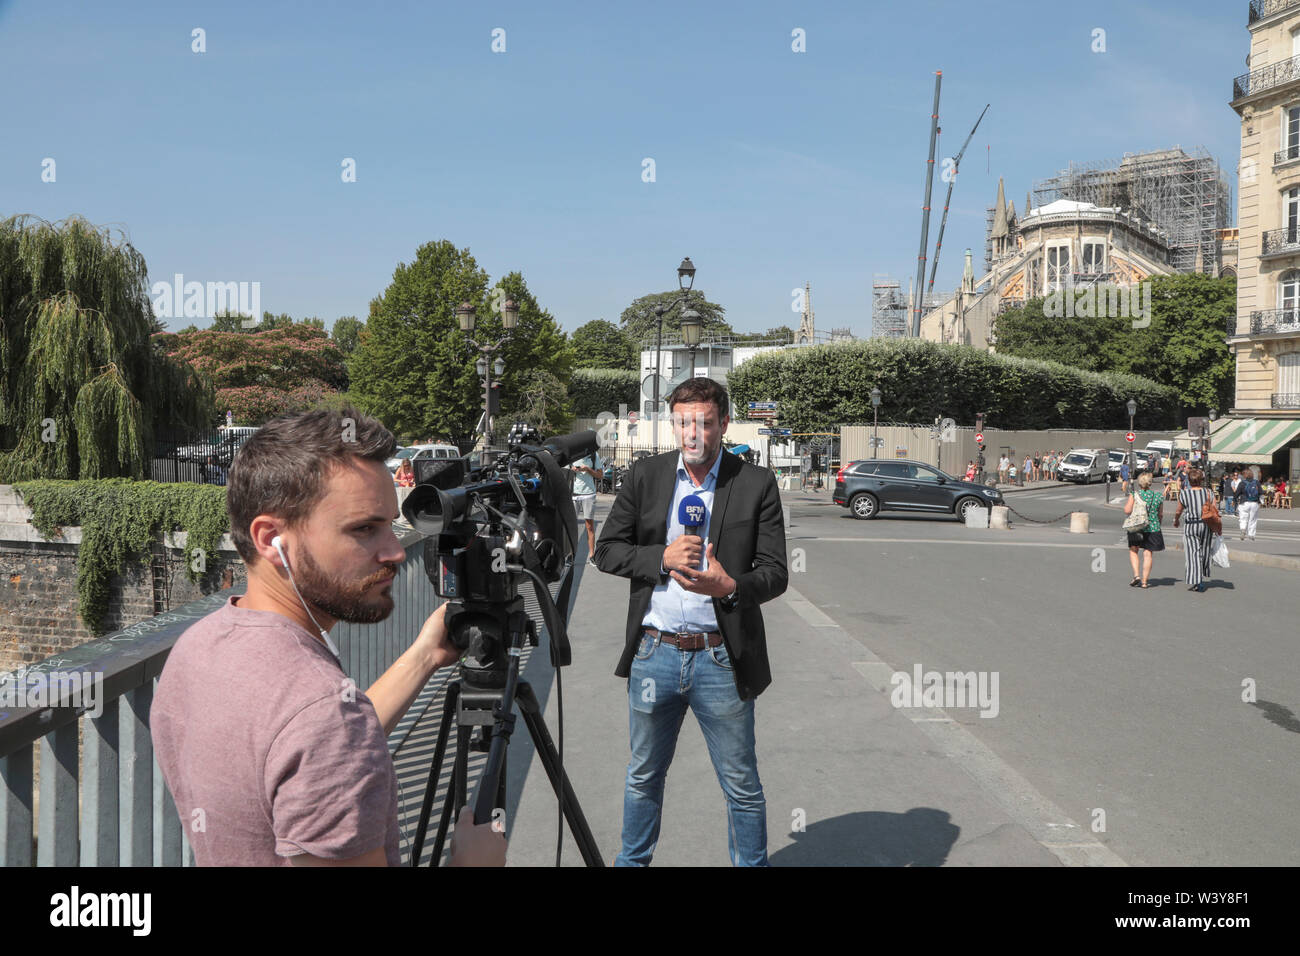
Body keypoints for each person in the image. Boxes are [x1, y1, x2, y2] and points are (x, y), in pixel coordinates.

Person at [151, 408, 505, 867]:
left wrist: (425, 655)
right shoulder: (324, 718)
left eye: (390, 524)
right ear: (271, 538)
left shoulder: (198, 646)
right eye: (364, 528)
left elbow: (308, 751)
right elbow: (324, 737)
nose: (396, 550)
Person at [594, 377, 787, 866]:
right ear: (673, 424)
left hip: (721, 657)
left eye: (704, 422)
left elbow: (775, 573)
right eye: (683, 423)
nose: (693, 433)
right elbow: (607, 552)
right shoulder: (646, 476)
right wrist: (660, 557)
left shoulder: (756, 483)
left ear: (723, 422)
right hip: (654, 653)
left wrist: (730, 587)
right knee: (643, 777)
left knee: (741, 784)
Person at [1174, 467, 1213, 592]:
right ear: (1201, 480)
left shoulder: (1184, 493)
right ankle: (1201, 576)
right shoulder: (1208, 493)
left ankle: (1197, 580)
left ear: (1189, 481)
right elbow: (1214, 510)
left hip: (1191, 526)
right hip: (1206, 525)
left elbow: (1179, 510)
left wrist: (1176, 520)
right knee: (1204, 551)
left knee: (1193, 554)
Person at [1124, 472, 1164, 588]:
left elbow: (1127, 510)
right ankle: (1145, 582)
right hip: (1153, 527)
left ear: (1139, 482)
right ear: (1150, 483)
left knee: (1133, 550)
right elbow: (1160, 514)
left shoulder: (1134, 494)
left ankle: (1136, 576)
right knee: (1148, 554)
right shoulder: (1158, 496)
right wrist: (1157, 525)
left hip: (1137, 526)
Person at [571, 450, 602, 566]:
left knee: (589, 526)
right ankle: (570, 555)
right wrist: (572, 470)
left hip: (589, 494)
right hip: (574, 494)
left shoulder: (594, 455)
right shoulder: (573, 454)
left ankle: (592, 555)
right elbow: (563, 470)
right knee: (571, 527)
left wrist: (588, 469)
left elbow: (600, 475)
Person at [1236, 467, 1262, 540]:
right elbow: (1261, 492)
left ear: (1244, 475)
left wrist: (1235, 500)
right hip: (1254, 503)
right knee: (1253, 519)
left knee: (1243, 518)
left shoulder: (1242, 483)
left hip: (1244, 503)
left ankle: (1243, 529)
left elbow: (1237, 493)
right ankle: (1251, 534)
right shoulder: (1256, 482)